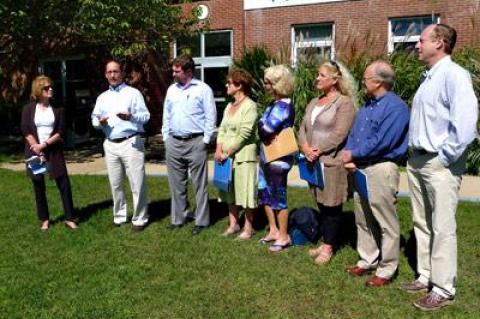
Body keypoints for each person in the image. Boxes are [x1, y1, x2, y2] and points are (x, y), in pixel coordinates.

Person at [402, 24, 478, 311]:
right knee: (422, 222)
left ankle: (443, 288)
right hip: (418, 160)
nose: (416, 45)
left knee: (442, 226)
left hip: (438, 162)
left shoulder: (455, 76)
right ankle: (426, 275)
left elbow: (466, 125)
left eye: (422, 40)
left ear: (440, 43)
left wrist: (444, 158)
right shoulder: (428, 79)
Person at [341, 61, 409, 287]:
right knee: (363, 217)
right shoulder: (368, 106)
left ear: (379, 82)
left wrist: (353, 154)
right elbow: (355, 134)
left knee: (385, 221)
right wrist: (350, 154)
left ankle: (387, 269)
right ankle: (367, 260)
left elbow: (383, 142)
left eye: (366, 78)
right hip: (361, 168)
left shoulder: (395, 107)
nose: (363, 81)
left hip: (381, 167)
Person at [298, 61, 356, 264]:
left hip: (331, 163)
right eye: (317, 74)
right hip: (312, 162)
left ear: (334, 79)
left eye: (322, 75)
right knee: (320, 203)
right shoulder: (314, 102)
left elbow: (340, 133)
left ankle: (329, 247)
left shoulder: (344, 103)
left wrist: (319, 150)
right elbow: (302, 127)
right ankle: (325, 241)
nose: (317, 78)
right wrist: (305, 148)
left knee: (331, 206)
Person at [91, 60, 150, 231]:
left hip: (131, 142)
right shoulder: (102, 97)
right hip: (110, 144)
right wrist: (99, 122)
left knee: (136, 183)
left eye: (116, 71)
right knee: (115, 183)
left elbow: (145, 116)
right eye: (109, 72)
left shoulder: (133, 93)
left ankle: (140, 218)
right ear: (105, 74)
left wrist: (131, 117)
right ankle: (119, 216)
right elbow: (94, 119)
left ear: (122, 73)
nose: (112, 75)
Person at [162, 55, 217, 235]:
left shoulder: (203, 89)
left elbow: (211, 116)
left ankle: (202, 221)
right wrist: (166, 138)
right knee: (176, 184)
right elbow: (166, 115)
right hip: (174, 142)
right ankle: (178, 218)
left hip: (196, 142)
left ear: (188, 71)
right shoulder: (171, 90)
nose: (173, 73)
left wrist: (206, 140)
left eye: (176, 70)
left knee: (199, 185)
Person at [21, 75, 78, 231]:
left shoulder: (58, 109)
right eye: (46, 88)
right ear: (39, 90)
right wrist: (37, 148)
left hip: (53, 150)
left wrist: (44, 145)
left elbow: (60, 132)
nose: (50, 89)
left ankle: (70, 218)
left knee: (64, 183)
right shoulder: (28, 109)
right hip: (34, 151)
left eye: (51, 87)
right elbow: (26, 130)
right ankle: (44, 219)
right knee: (38, 185)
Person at [215, 68, 258, 240]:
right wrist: (218, 150)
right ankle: (233, 224)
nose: (227, 85)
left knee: (246, 192)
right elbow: (222, 130)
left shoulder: (250, 106)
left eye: (230, 83)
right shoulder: (228, 106)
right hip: (225, 155)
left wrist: (227, 152)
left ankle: (249, 228)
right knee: (229, 191)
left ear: (239, 85)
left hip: (243, 156)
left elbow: (244, 135)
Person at [257, 65, 296, 252]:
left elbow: (265, 130)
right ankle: (273, 230)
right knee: (265, 192)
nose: (265, 85)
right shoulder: (273, 104)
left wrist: (262, 125)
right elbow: (263, 129)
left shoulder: (283, 106)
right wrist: (262, 126)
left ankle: (283, 235)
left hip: (278, 158)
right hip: (267, 156)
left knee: (278, 196)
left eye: (268, 82)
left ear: (278, 84)